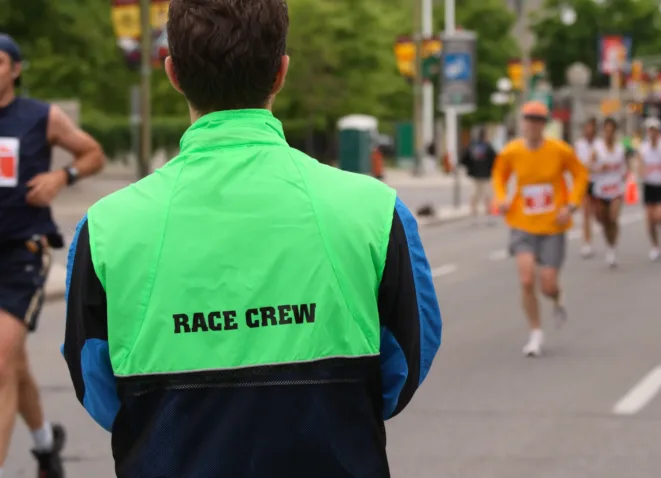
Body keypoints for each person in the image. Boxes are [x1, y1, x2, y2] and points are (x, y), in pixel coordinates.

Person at [61, 2, 442, 476]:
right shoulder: (375, 211)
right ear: (280, 72)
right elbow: (405, 366)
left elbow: (96, 387)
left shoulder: (106, 226)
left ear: (173, 73)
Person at [0, 33, 105, 478]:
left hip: (22, 253)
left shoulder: (40, 116)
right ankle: (45, 446)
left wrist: (63, 177)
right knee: (12, 361)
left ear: (15, 69)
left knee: (0, 361)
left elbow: (93, 153)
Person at [492, 101, 588, 357]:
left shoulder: (559, 150)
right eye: (528, 120)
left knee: (547, 285)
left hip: (553, 225)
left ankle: (557, 296)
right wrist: (501, 199)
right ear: (522, 123)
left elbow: (580, 175)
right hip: (522, 223)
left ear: (544, 125)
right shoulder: (511, 151)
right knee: (526, 279)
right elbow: (499, 176)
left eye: (537, 121)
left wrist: (571, 205)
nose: (532, 125)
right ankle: (535, 333)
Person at [588, 118, 627, 268]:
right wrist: (598, 168)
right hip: (601, 189)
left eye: (611, 130)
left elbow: (625, 166)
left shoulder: (620, 148)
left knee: (613, 217)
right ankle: (609, 244)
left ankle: (612, 247)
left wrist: (625, 174)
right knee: (604, 220)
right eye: (607, 130)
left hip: (616, 189)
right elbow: (587, 166)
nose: (609, 133)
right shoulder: (597, 148)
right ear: (603, 131)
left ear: (615, 132)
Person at [637, 118, 661, 261]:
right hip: (649, 185)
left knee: (660, 215)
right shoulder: (643, 148)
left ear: (659, 132)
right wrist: (641, 173)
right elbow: (640, 164)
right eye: (650, 130)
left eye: (654, 130)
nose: (652, 133)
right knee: (650, 219)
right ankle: (655, 247)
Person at [460, 128, 497, 225]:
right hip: (485, 175)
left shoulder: (473, 146)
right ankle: (487, 216)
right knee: (486, 196)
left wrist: (470, 168)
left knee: (476, 196)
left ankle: (475, 216)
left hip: (476, 175)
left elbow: (463, 158)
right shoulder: (487, 146)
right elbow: (495, 158)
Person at [573, 118, 597, 258]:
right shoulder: (579, 144)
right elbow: (575, 164)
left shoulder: (599, 144)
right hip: (585, 182)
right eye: (586, 127)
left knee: (598, 214)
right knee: (586, 213)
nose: (588, 130)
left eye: (590, 127)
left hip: (599, 181)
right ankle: (587, 243)